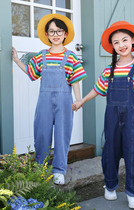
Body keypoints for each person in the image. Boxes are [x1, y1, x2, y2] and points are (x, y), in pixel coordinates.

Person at [72, 21, 134, 209]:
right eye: (116, 42)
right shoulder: (108, 70)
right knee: (110, 153)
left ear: (133, 40)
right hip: (112, 118)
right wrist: (82, 101)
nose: (121, 45)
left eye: (125, 40)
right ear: (112, 46)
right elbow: (97, 89)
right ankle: (110, 186)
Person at [12, 14, 87, 185]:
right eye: (52, 31)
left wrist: (79, 100)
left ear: (65, 34)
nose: (55, 34)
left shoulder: (71, 57)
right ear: (46, 34)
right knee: (41, 134)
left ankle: (59, 170)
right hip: (44, 101)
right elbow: (31, 73)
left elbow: (75, 81)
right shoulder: (41, 56)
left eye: (59, 31)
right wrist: (17, 61)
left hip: (65, 101)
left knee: (62, 135)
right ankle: (41, 168)